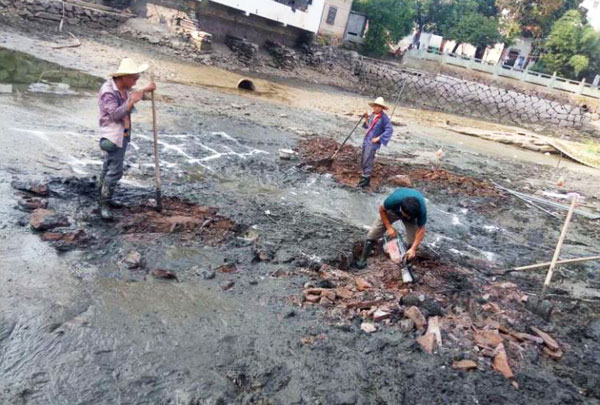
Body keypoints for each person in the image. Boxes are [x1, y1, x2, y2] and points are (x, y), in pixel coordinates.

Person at [97, 58, 156, 220]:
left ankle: (101, 196)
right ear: (124, 77)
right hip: (112, 134)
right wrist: (130, 103)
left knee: (107, 166)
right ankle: (104, 203)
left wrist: (146, 90)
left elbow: (132, 95)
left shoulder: (122, 87)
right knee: (115, 171)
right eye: (134, 78)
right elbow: (116, 114)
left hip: (121, 132)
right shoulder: (108, 92)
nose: (136, 81)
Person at [355, 187, 427, 269]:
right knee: (372, 235)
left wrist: (413, 249)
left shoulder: (421, 210)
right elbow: (381, 209)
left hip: (410, 213)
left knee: (413, 240)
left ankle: (405, 262)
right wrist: (389, 228)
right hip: (394, 211)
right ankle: (362, 260)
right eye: (405, 215)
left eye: (408, 217)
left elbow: (421, 229)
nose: (406, 218)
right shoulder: (393, 201)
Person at [359, 97, 393, 188]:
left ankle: (365, 181)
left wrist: (378, 138)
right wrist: (366, 118)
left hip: (373, 143)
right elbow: (369, 126)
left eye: (379, 107)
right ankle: (364, 179)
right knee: (363, 159)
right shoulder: (373, 115)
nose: (377, 108)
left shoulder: (384, 118)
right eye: (375, 106)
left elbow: (389, 130)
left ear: (382, 108)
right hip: (367, 140)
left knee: (368, 159)